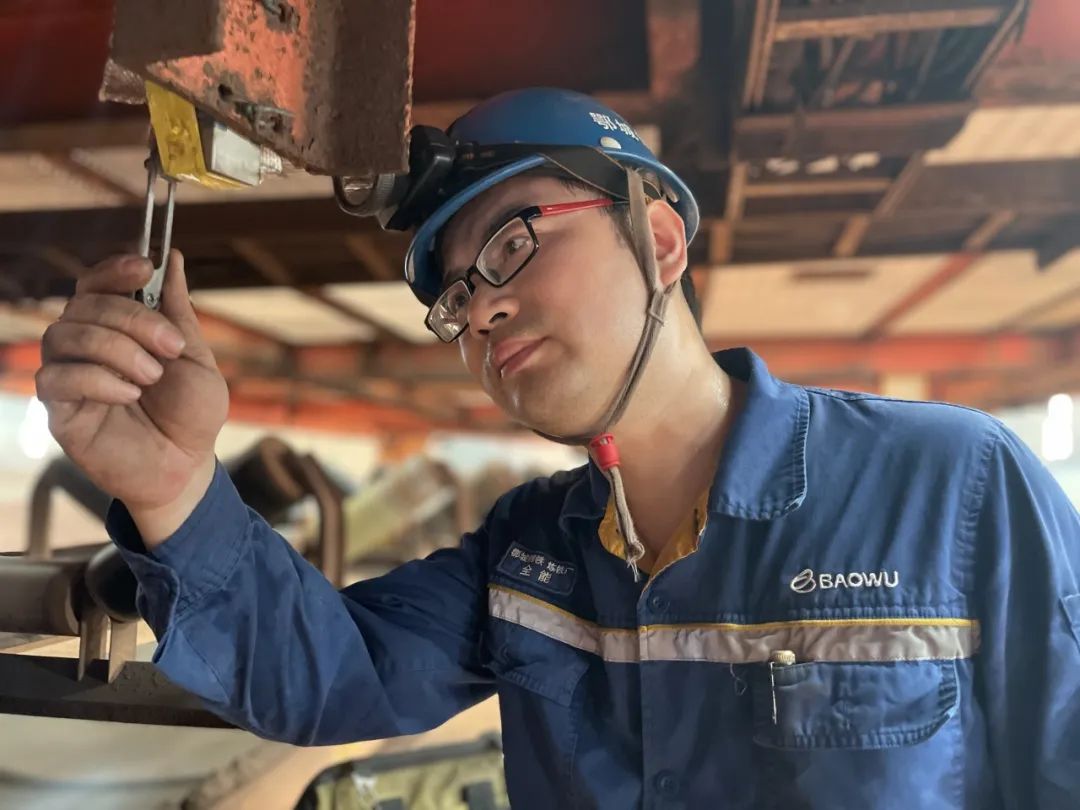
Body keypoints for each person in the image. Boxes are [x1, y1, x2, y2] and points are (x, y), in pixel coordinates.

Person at [36, 88, 1080, 809]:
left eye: (512, 243)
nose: (482, 311)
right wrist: (174, 488)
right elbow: (325, 675)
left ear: (658, 240)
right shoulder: (527, 554)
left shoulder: (954, 487)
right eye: (458, 297)